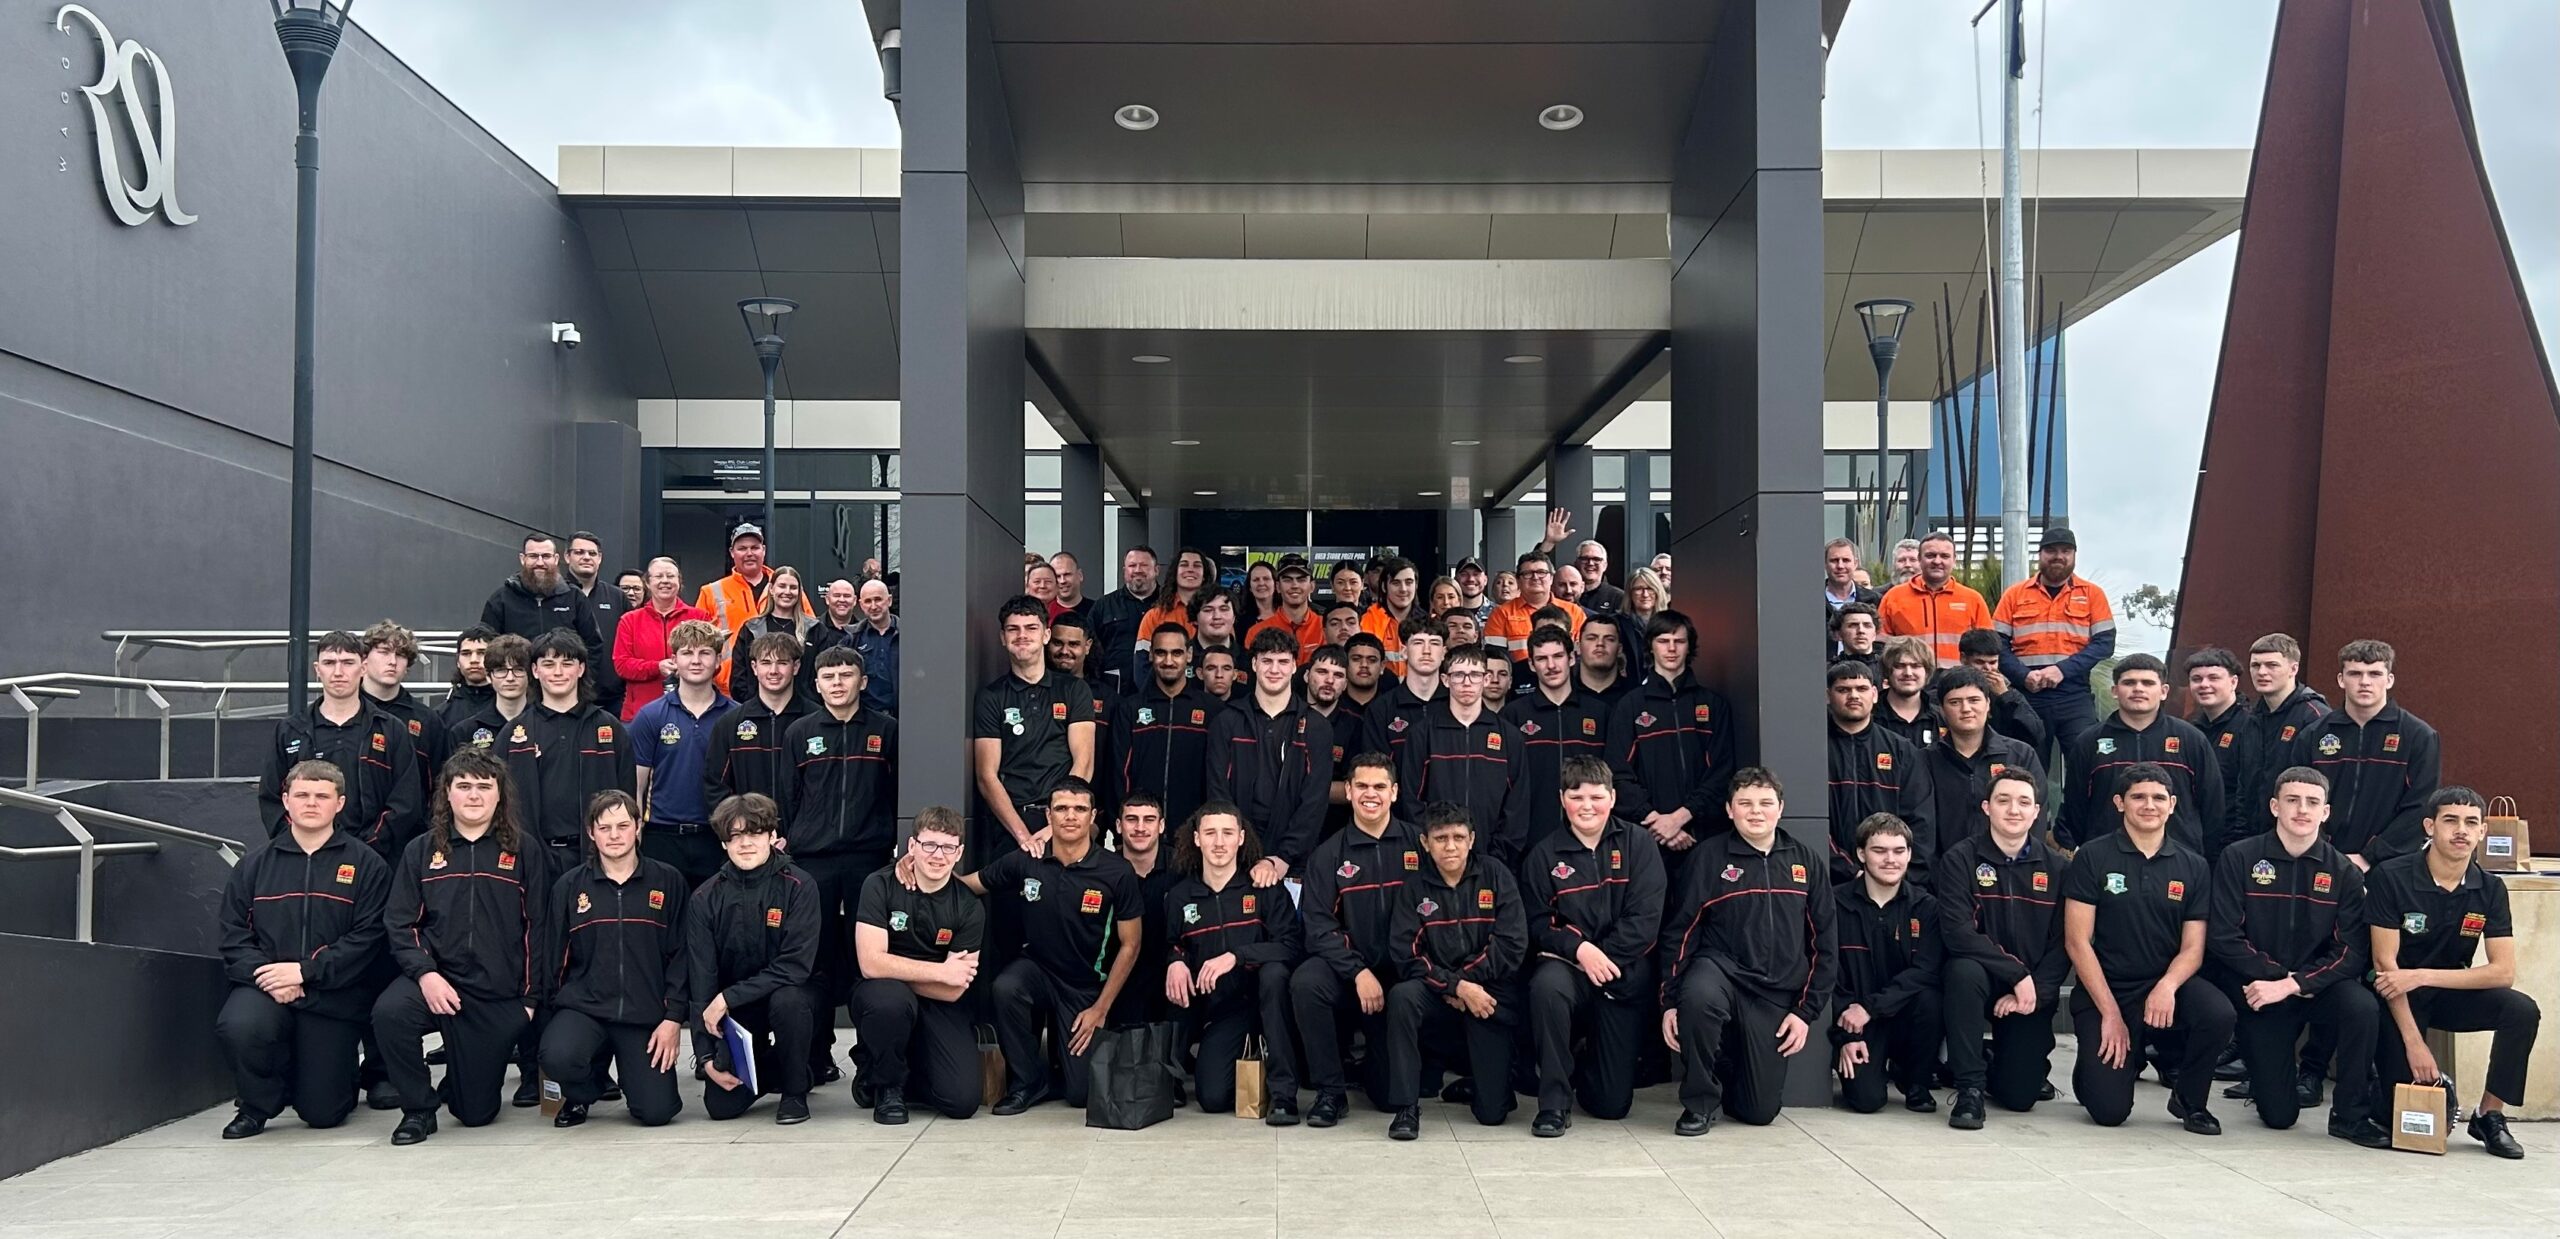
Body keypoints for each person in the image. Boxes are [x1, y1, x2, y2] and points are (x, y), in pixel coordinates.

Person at [2205, 767, 2389, 1146]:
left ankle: (2350, 1114)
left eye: (2312, 802)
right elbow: (2224, 937)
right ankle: (2268, 1080)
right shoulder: (2239, 858)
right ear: (2275, 806)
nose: (2302, 809)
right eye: (2292, 800)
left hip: (2314, 989)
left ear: (2325, 812)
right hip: (2260, 993)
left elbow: (2351, 953)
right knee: (2279, 1116)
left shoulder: (2344, 873)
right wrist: (2275, 978)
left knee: (2362, 1007)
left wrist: (2296, 983)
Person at [940, 780, 1144, 1113]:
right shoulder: (1027, 860)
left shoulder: (1116, 871)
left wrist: (1101, 1008)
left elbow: (1131, 946)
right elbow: (969, 885)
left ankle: (1062, 1065)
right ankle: (1027, 1082)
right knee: (1006, 987)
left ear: (1093, 816)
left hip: (1084, 985)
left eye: (1079, 809)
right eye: (1061, 809)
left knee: (1080, 1095)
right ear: (1048, 815)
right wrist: (917, 868)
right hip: (1037, 969)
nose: (1070, 817)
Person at [374, 749, 543, 1145]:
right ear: (446, 794)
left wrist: (530, 1001)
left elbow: (539, 927)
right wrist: (426, 973)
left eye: (484, 787)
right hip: (436, 980)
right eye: (463, 786)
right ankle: (418, 1109)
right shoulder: (421, 851)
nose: (474, 796)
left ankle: (460, 1080)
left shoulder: (523, 850)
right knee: (389, 1013)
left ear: (499, 795)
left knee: (476, 1115)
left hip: (494, 993)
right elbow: (400, 923)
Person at [215, 761, 391, 1138]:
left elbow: (367, 938)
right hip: (264, 987)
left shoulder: (367, 865)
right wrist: (271, 977)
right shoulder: (254, 866)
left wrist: (305, 972)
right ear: (286, 801)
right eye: (302, 795)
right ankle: (256, 1103)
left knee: (323, 1112)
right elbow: (233, 936)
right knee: (240, 1025)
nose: (312, 803)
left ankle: (325, 1077)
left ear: (339, 803)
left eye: (322, 796)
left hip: (333, 993)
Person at [1657, 768, 1835, 1135]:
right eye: (1745, 803)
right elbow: (1681, 932)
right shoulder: (1708, 857)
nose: (1756, 812)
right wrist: (1669, 1002)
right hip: (1720, 972)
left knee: (1759, 1112)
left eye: (1765, 803)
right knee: (1699, 997)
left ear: (1780, 809)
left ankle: (1725, 1065)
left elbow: (1825, 945)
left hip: (1773, 992)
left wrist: (1805, 1013)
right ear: (1729, 810)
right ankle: (1699, 1103)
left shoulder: (1805, 862)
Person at [2365, 787, 2537, 1160]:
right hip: (2393, 998)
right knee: (2395, 1115)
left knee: (2521, 1010)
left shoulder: (2490, 888)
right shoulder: (2390, 876)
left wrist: (2423, 975)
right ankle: (2376, 1089)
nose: (2461, 830)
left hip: (2441, 990)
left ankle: (2489, 1115)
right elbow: (2385, 966)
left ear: (2482, 832)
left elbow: (2502, 972)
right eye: (2450, 821)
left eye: (2471, 823)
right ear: (2429, 826)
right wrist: (2416, 1044)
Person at [2061, 762, 2234, 1133]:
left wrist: (2167, 986)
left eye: (2158, 797)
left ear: (2173, 804)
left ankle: (2189, 1099)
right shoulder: (2092, 856)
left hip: (2164, 987)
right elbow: (2077, 942)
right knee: (2109, 1111)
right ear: (2119, 803)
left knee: (2218, 1013)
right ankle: (2095, 1070)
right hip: (2108, 989)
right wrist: (2110, 1014)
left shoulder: (2194, 865)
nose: (2149, 805)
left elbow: (2193, 949)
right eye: (2138, 797)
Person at [1516, 756, 1664, 1135]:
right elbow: (1536, 922)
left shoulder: (1640, 844)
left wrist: (1601, 957)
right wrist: (1580, 950)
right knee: (1546, 987)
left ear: (1612, 798)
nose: (1586, 806)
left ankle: (1583, 1061)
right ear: (1562, 799)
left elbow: (1644, 920)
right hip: (1567, 969)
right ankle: (1553, 1103)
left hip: (1622, 975)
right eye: (1576, 796)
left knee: (1610, 1106)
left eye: (1596, 796)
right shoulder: (1544, 855)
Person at [782, 645, 900, 1085]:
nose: (837, 683)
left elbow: (893, 795)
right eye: (828, 676)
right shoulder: (800, 731)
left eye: (846, 675)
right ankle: (817, 1054)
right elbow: (787, 797)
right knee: (814, 958)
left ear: (862, 682)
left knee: (865, 959)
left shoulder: (886, 731)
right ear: (815, 683)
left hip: (868, 861)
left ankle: (868, 1054)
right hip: (812, 863)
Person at [540, 790, 688, 1129]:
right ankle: (582, 1092)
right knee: (558, 1054)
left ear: (638, 827)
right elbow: (555, 957)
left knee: (656, 1113)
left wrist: (673, 1018)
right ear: (591, 832)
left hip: (643, 1015)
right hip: (586, 1008)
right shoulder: (569, 887)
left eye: (623, 825)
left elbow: (681, 955)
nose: (615, 835)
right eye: (604, 827)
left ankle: (632, 1072)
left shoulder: (668, 881)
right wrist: (556, 1012)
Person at [1382, 803, 1528, 1138]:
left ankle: (1483, 1085)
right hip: (1438, 992)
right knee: (1402, 997)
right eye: (1441, 838)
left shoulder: (1496, 875)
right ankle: (1406, 1107)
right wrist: (1455, 986)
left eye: (1459, 837)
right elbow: (1407, 956)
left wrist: (1466, 983)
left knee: (1493, 1114)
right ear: (1425, 842)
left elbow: (1511, 944)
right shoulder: (1414, 888)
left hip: (1488, 993)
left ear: (1472, 839)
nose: (1450, 846)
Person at [1935, 768, 2067, 1129]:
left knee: (2020, 1097)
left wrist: (2035, 989)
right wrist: (2016, 973)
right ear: (1986, 807)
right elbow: (1958, 932)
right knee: (1962, 970)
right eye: (2003, 800)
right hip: (1980, 978)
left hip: (2031, 989)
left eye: (2024, 802)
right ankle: (1970, 1089)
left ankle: (1998, 1061)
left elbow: (2063, 944)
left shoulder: (2057, 868)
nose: (2014, 809)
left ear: (2037, 811)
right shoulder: (1960, 859)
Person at [1292, 752, 1418, 1125]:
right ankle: (1331, 1091)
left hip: (1400, 978)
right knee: (1306, 981)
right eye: (1361, 785)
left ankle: (1375, 1068)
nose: (1370, 794)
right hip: (1349, 974)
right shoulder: (1328, 854)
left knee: (1388, 1099)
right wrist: (1358, 971)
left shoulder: (1419, 845)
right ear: (1347, 791)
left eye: (1380, 786)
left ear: (1394, 792)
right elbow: (1317, 926)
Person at [1164, 803, 1306, 1123]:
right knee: (1213, 1099)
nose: (1219, 842)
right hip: (1225, 1014)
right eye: (1210, 833)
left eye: (1227, 833)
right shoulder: (1180, 896)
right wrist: (1175, 960)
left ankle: (1284, 1095)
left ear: (1241, 838)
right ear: (1196, 838)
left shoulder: (1263, 889)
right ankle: (1180, 1072)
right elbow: (1170, 942)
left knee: (1274, 974)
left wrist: (1237, 956)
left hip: (1267, 1001)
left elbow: (1292, 946)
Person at [687, 792, 822, 1124]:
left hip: (793, 994)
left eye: (754, 833)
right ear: (723, 844)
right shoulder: (705, 898)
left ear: (773, 836)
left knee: (788, 1002)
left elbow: (794, 966)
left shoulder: (800, 885)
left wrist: (727, 997)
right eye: (735, 836)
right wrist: (705, 1055)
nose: (745, 843)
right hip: (738, 1009)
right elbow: (701, 979)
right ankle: (778, 1067)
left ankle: (794, 1091)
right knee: (721, 1107)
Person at [851, 806, 984, 1124]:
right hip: (882, 997)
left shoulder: (968, 906)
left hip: (939, 1003)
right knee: (891, 1001)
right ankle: (888, 1086)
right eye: (929, 845)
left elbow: (953, 992)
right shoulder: (879, 885)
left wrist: (893, 968)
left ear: (959, 853)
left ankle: (891, 1067)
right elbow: (870, 964)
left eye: (948, 847)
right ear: (912, 846)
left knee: (962, 1101)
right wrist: (940, 971)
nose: (938, 855)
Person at [256, 631, 420, 857]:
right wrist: (304, 843)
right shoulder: (289, 731)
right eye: (329, 663)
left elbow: (405, 801)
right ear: (317, 670)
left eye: (347, 663)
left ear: (362, 668)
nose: (338, 672)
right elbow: (272, 798)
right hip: (304, 858)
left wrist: (367, 849)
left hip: (374, 860)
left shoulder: (391, 729)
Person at [2283, 639, 2440, 868]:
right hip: (2318, 861)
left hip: (2389, 866)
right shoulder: (2313, 736)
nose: (2364, 682)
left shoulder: (2418, 736)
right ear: (2340, 679)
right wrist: (2324, 852)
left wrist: (2370, 856)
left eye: (2374, 674)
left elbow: (2421, 807)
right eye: (2355, 673)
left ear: (2389, 680)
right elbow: (2294, 797)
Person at [1830, 814, 1944, 1115]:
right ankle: (1875, 1070)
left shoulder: (1926, 907)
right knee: (1866, 1101)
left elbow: (1926, 972)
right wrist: (1847, 1036)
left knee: (1931, 998)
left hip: (1899, 1014)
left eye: (1898, 851)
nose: (1890, 859)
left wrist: (1871, 1007)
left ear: (1909, 854)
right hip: (1855, 1022)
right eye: (1879, 851)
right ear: (1861, 854)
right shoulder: (1834, 904)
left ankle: (1917, 1082)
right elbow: (1828, 973)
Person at [1607, 609, 1737, 868]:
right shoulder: (1630, 706)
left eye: (1679, 641)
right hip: (1648, 841)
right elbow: (1618, 775)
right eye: (1663, 641)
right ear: (1651, 646)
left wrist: (1680, 818)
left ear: (1690, 647)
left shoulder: (1712, 705)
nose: (1671, 649)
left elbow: (1722, 773)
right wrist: (1657, 821)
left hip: (1705, 837)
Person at [2058, 655, 2225, 852]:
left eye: (2147, 683)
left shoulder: (2191, 740)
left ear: (2164, 692)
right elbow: (2075, 806)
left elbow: (2213, 806)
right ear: (2114, 691)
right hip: (2107, 860)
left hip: (2178, 862)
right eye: (2129, 682)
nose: (2138, 689)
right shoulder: (2089, 742)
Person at [1207, 628, 1334, 882]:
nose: (1274, 670)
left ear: (1295, 666)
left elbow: (1315, 801)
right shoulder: (1227, 721)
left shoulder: (1317, 727)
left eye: (1283, 661)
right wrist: (1242, 852)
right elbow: (1217, 793)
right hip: (1234, 861)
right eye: (1267, 660)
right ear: (1254, 664)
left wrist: (1283, 857)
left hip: (1293, 867)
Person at [1388, 642, 1529, 864]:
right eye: (1459, 675)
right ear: (1445, 680)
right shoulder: (1423, 734)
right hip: (1435, 859)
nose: (1466, 682)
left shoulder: (1509, 736)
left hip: (1492, 862)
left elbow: (1517, 805)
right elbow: (1411, 800)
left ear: (1485, 680)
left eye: (1474, 675)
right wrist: (1433, 847)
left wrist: (1497, 857)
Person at [519, 629, 635, 875]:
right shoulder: (515, 734)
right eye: (548, 664)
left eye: (567, 663)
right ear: (535, 671)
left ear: (581, 669)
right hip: (533, 861)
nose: (558, 672)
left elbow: (627, 798)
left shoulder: (610, 728)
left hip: (597, 858)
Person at [628, 620, 732, 888]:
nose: (696, 661)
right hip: (662, 837)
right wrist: (635, 833)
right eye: (687, 653)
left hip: (718, 836)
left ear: (718, 659)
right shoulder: (650, 716)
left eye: (705, 653)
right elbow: (637, 786)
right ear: (674, 659)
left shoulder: (736, 716)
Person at [1993, 527, 2115, 750]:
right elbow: (1996, 644)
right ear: (2040, 554)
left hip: (2074, 694)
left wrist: (2062, 670)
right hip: (2027, 694)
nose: (2059, 556)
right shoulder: (2014, 594)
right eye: (2051, 550)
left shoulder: (2092, 595)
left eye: (2066, 550)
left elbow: (2104, 644)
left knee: (2086, 761)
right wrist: (2023, 675)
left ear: (2074, 555)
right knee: (2026, 764)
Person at [1824, 660, 1936, 884]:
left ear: (1875, 694)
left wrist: (1901, 876)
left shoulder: (1901, 750)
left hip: (1894, 884)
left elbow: (1920, 820)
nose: (1853, 696)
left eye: (1862, 689)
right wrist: (1850, 872)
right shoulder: (1814, 748)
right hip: (1831, 883)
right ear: (1828, 695)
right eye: (1843, 690)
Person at [1503, 627, 1610, 856]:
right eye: (1542, 659)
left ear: (1571, 658)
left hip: (1593, 839)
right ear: (1531, 665)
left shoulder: (1600, 713)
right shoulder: (1513, 716)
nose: (1551, 666)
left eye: (1558, 656)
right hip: (1531, 841)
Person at [1926, 668, 2045, 857]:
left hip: (2010, 874)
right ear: (1941, 709)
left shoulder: (2021, 755)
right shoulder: (1925, 761)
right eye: (1955, 702)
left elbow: (2036, 818)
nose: (1966, 709)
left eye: (1974, 700)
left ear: (1988, 704)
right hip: (1944, 877)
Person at [1108, 626, 1214, 827]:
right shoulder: (1129, 708)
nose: (1168, 661)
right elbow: (1118, 774)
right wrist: (1121, 822)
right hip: (1142, 830)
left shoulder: (1211, 710)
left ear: (1189, 655)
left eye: (1176, 653)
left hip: (1195, 831)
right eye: (1161, 653)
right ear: (1150, 655)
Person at [703, 633, 817, 815]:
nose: (774, 671)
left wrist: (800, 833)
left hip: (806, 839)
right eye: (766, 663)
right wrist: (743, 828)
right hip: (749, 836)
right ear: (754, 668)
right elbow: (715, 787)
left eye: (782, 663)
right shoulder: (729, 724)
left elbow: (827, 787)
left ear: (795, 667)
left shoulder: (817, 721)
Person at [480, 533, 609, 690]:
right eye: (533, 556)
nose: (540, 562)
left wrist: (582, 685)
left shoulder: (574, 598)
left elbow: (593, 645)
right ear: (522, 559)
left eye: (546, 556)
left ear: (555, 559)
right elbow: (488, 647)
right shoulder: (501, 599)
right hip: (517, 692)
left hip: (563, 690)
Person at [2232, 633, 2329, 841]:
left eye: (2272, 665)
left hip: (2299, 840)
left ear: (2293, 669)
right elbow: (2244, 783)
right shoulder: (2251, 720)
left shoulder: (2315, 717)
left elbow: (2326, 785)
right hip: (2253, 839)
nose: (2262, 672)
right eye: (2255, 666)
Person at [1107, 793, 1183, 1027]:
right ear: (1119, 826)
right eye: (1132, 819)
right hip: (1118, 976)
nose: (1140, 827)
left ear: (1161, 826)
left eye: (1149, 820)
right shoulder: (1102, 870)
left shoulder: (1183, 868)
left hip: (1172, 975)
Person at [356, 622, 446, 800]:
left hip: (414, 825)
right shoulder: (343, 710)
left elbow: (440, 783)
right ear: (364, 659)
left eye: (401, 655)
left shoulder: (427, 720)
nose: (392, 661)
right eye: (384, 652)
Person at [613, 557, 709, 720]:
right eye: (658, 576)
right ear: (648, 583)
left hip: (691, 712)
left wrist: (691, 666)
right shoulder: (629, 620)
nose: (665, 581)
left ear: (679, 582)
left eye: (670, 576)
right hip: (640, 713)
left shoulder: (699, 617)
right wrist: (656, 667)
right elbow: (622, 665)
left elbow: (714, 662)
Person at [1877, 531, 1991, 667]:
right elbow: (1880, 645)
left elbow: (1987, 648)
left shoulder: (1972, 599)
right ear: (1919, 559)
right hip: (1911, 679)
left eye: (1944, 556)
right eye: (1930, 555)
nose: (1937, 561)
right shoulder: (1893, 597)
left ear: (1954, 560)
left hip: (1958, 682)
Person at [446, 632, 537, 784]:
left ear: (531, 674)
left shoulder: (545, 727)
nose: (510, 678)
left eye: (518, 669)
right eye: (501, 670)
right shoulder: (464, 731)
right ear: (489, 676)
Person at [723, 566, 822, 703]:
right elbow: (739, 677)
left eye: (793, 587)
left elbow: (822, 673)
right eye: (782, 586)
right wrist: (753, 705)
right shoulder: (751, 629)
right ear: (771, 589)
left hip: (804, 712)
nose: (787, 592)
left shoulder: (814, 629)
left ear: (800, 592)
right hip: (758, 710)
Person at [2185, 647, 2250, 848]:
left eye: (2213, 678)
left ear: (2233, 682)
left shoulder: (2250, 726)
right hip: (2198, 837)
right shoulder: (2191, 729)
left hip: (2235, 840)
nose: (2204, 685)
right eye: (2197, 679)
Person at [1363, 616, 1446, 761]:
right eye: (1418, 643)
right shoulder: (1381, 709)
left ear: (1444, 652)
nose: (1426, 651)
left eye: (1434, 643)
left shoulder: (1458, 704)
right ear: (1404, 651)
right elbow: (1377, 770)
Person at [1957, 628, 2050, 755]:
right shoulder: (1951, 688)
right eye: (1979, 662)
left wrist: (2005, 696)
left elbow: (2036, 733)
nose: (1988, 669)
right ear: (1963, 659)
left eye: (1992, 662)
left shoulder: (2007, 690)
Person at [1488, 550, 1586, 664]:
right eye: (1527, 573)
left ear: (1551, 578)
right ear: (1518, 580)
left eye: (1541, 572)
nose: (1535, 577)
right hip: (1519, 679)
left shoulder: (1574, 612)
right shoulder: (1500, 614)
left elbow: (1583, 654)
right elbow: (1496, 658)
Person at [1090, 545, 1160, 690]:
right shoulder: (1104, 606)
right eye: (1132, 565)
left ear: (1156, 570)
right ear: (1124, 571)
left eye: (1144, 565)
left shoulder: (1170, 605)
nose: (1137, 570)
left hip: (1160, 690)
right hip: (1115, 691)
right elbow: (1089, 648)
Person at [694, 520, 775, 644]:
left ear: (763, 550)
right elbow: (696, 640)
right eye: (742, 549)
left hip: (773, 663)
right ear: (732, 552)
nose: (749, 553)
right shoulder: (710, 592)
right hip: (728, 664)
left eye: (754, 548)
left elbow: (808, 628)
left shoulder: (785, 586)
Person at [1245, 555, 1325, 660]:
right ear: (1277, 587)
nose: (1295, 585)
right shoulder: (1256, 632)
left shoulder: (1325, 627)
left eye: (1301, 579)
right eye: (1287, 580)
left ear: (1312, 586)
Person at [1354, 556, 1423, 676]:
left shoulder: (1427, 623)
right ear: (1384, 587)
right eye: (1396, 583)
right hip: (1379, 691)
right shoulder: (1367, 620)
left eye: (1409, 582)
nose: (1403, 589)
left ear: (1416, 585)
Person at [1047, 611, 1117, 726]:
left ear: (1088, 646)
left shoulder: (1108, 698)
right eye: (1057, 643)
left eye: (1073, 644)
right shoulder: (1035, 691)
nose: (1064, 651)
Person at [1138, 547, 1213, 649]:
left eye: (1197, 565)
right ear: (1175, 573)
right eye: (1184, 565)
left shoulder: (1219, 617)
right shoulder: (1154, 617)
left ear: (1204, 575)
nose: (1190, 569)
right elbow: (1142, 661)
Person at [1872, 637, 1939, 750]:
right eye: (1900, 666)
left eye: (1916, 666)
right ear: (1887, 671)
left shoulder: (1942, 719)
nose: (1908, 673)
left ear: (1927, 672)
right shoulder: (1869, 716)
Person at [851, 578, 901, 715]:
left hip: (906, 717)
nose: (873, 606)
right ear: (861, 605)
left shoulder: (910, 636)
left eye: (878, 599)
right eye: (867, 601)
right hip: (867, 719)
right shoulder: (852, 639)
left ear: (889, 600)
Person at [1823, 537, 1882, 650]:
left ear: (1855, 563)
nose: (1840, 566)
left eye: (1846, 560)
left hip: (1861, 666)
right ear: (1825, 564)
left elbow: (1879, 641)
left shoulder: (1873, 600)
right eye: (1834, 560)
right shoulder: (1811, 601)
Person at [1610, 568, 1665, 687]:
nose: (1645, 594)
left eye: (1650, 588)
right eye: (1639, 589)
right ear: (1630, 593)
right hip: (1625, 689)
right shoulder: (1615, 623)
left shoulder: (1669, 623)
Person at [440, 625, 497, 730]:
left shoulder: (510, 708)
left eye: (482, 653)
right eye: (466, 653)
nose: (474, 660)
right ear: (458, 661)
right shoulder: (442, 715)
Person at [1576, 614, 1631, 708]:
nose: (1600, 643)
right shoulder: (1563, 693)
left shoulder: (1634, 697)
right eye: (1591, 638)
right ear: (1578, 646)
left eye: (1609, 639)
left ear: (1619, 649)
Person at [1573, 540, 1626, 613]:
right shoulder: (1568, 594)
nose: (1590, 563)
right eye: (1585, 559)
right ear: (1576, 563)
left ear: (1605, 565)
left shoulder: (1618, 597)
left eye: (1596, 559)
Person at [1830, 601, 1882, 674]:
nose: (1861, 630)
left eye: (1867, 625)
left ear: (1875, 634)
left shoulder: (1889, 669)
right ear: (1838, 634)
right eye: (1853, 625)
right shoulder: (1825, 671)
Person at [1343, 633, 1388, 713]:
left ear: (1382, 666)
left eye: (1372, 660)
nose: (1364, 665)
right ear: (1345, 663)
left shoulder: (1392, 708)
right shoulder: (1331, 706)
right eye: (1356, 659)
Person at [1050, 550, 1092, 619]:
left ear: (1080, 575)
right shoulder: (1044, 613)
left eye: (1067, 574)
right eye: (1057, 576)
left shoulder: (1096, 610)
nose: (1062, 581)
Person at [1453, 556, 1494, 624]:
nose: (1471, 579)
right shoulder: (1448, 612)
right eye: (1464, 574)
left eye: (1476, 574)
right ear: (1456, 580)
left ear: (1485, 580)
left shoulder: (1499, 613)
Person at [1241, 558, 1279, 625]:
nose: (1261, 583)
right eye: (1256, 580)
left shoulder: (1289, 615)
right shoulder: (1240, 621)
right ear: (1250, 587)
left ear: (1276, 584)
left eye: (1266, 579)